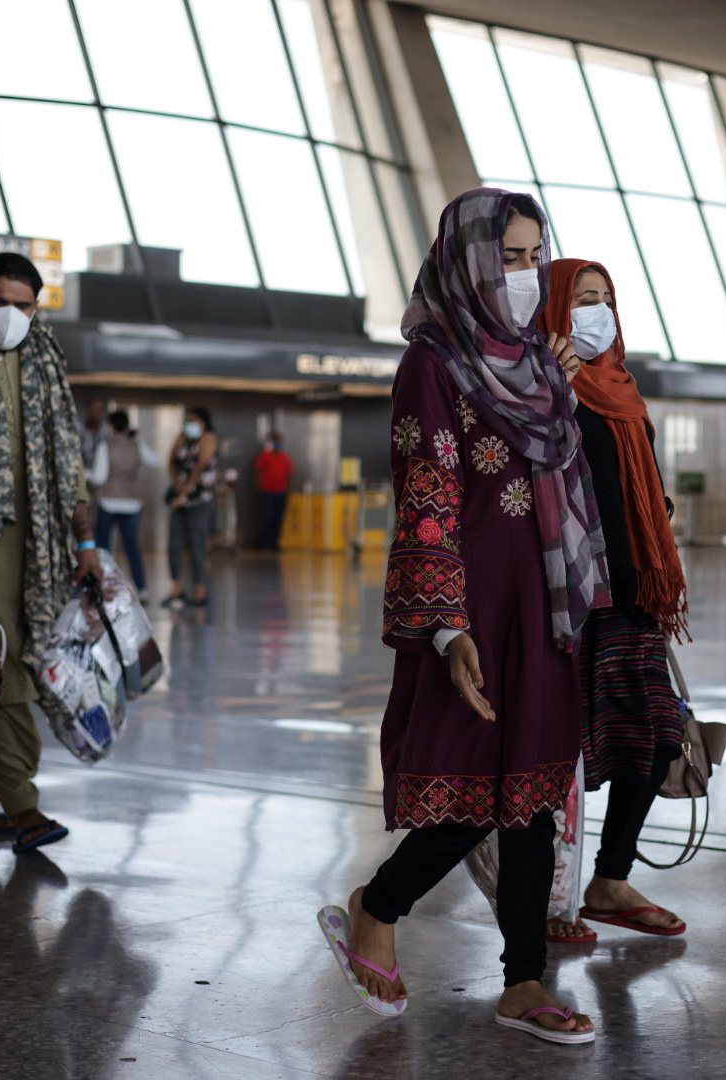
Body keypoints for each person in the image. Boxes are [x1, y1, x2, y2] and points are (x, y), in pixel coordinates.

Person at [317, 188, 606, 1044]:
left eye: (532, 258)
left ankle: (524, 981)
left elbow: (564, 476)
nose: (523, 274)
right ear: (467, 261)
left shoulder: (540, 361)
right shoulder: (433, 364)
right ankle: (378, 907)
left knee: (531, 796)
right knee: (473, 791)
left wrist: (558, 385)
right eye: (507, 258)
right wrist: (447, 627)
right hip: (473, 610)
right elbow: (428, 498)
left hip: (543, 608)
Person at [536, 259, 689, 944]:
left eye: (604, 299)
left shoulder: (622, 389)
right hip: (578, 595)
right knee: (558, 756)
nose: (596, 313)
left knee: (656, 739)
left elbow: (636, 483)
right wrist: (548, 383)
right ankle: (548, 900)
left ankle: (608, 880)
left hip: (634, 595)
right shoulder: (545, 390)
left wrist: (656, 519)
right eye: (581, 300)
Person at [0, 251, 100, 856]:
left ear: (38, 308)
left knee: (10, 662)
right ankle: (22, 802)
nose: (9, 315)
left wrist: (85, 542)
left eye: (23, 305)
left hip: (40, 544)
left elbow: (69, 457)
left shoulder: (46, 358)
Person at [91, 409, 159, 595]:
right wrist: (139, 440)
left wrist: (86, 476)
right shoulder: (136, 444)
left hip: (108, 502)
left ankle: (101, 586)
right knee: (132, 548)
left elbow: (99, 476)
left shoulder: (106, 445)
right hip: (132, 503)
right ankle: (142, 587)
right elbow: (154, 461)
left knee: (104, 549)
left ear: (111, 426)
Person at [165, 406, 217, 608]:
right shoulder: (182, 438)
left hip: (199, 499)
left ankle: (199, 589)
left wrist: (187, 490)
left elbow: (201, 465)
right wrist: (179, 486)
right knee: (174, 544)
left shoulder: (208, 438)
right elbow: (171, 462)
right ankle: (177, 588)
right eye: (188, 421)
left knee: (197, 545)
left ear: (204, 422)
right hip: (179, 499)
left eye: (194, 421)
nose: (190, 425)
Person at [254, 433, 294, 552]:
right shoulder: (265, 456)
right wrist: (259, 487)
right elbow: (258, 473)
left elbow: (289, 475)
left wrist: (287, 490)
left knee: (278, 519)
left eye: (280, 442)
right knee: (267, 518)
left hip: (281, 492)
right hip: (267, 492)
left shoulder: (285, 457)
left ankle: (274, 543)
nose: (278, 444)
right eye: (276, 441)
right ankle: (262, 543)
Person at [79, 399, 105, 471]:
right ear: (85, 411)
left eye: (98, 411)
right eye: (92, 410)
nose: (94, 414)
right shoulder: (77, 432)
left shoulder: (106, 433)